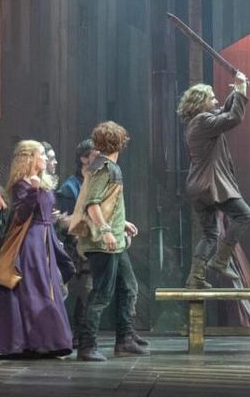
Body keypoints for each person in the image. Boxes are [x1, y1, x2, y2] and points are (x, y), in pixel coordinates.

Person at [0, 140, 75, 357]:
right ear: (30, 158)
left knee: (48, 288)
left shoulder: (43, 182)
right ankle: (32, 341)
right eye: (41, 154)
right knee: (34, 289)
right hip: (31, 243)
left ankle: (50, 340)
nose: (45, 158)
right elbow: (21, 215)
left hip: (46, 239)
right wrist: (32, 191)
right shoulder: (22, 185)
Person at [67, 121, 144, 361]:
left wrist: (121, 223)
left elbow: (106, 203)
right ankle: (87, 345)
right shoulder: (105, 167)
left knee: (128, 286)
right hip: (103, 242)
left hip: (113, 239)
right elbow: (92, 203)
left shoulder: (103, 166)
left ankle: (125, 340)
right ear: (120, 142)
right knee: (101, 294)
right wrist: (107, 230)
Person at [177, 73, 250, 288]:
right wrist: (240, 91)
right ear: (201, 103)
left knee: (210, 234)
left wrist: (238, 89)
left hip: (198, 187)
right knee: (245, 215)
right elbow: (233, 117)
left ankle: (195, 277)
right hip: (211, 186)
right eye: (212, 98)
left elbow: (225, 110)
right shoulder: (203, 121)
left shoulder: (197, 123)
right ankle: (220, 260)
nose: (216, 100)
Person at [55, 139, 97, 348]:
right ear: (84, 159)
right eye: (95, 155)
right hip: (76, 250)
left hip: (94, 245)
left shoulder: (97, 182)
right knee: (77, 292)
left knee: (89, 292)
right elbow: (65, 222)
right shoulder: (70, 187)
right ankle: (72, 335)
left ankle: (83, 335)